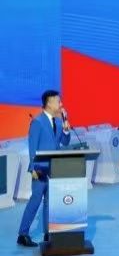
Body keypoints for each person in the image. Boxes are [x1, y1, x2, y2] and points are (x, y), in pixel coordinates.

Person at [17, 90, 72, 247]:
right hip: (40, 168)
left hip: (54, 167)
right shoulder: (37, 122)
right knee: (36, 200)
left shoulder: (59, 122)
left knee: (50, 201)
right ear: (49, 103)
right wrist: (33, 167)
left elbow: (65, 142)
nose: (61, 104)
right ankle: (23, 234)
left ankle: (48, 232)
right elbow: (32, 146)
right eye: (58, 101)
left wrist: (66, 129)